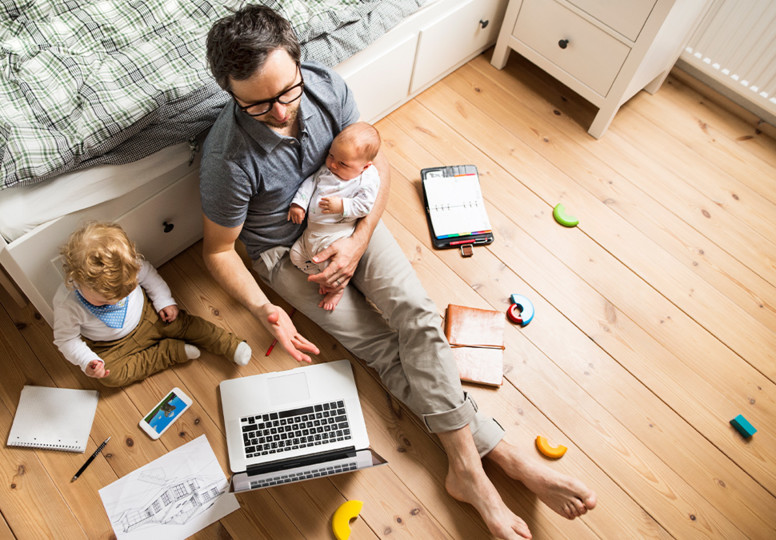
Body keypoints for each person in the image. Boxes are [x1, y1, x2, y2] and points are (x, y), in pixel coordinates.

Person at [199, 5, 596, 539]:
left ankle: (471, 470)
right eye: (257, 104)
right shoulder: (226, 159)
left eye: (286, 91)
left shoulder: (324, 87)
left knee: (418, 316)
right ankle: (494, 460)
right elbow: (219, 251)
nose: (278, 112)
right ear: (230, 93)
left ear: (298, 63)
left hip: (347, 218)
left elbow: (377, 163)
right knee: (381, 347)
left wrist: (359, 244)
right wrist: (266, 308)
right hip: (287, 251)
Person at [53, 221, 251, 387]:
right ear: (76, 279)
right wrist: (88, 361)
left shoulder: (129, 264)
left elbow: (150, 278)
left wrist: (164, 301)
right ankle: (169, 352)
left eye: (125, 293)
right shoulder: (67, 303)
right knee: (110, 376)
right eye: (105, 301)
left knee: (186, 324)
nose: (118, 301)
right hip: (111, 345)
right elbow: (66, 340)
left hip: (150, 316)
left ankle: (229, 344)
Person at [287, 121, 381, 310]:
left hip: (334, 235)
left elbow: (364, 206)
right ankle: (322, 276)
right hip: (311, 232)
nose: (332, 164)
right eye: (331, 155)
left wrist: (342, 205)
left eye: (343, 163)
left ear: (364, 166)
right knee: (295, 255)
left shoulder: (367, 180)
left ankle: (337, 289)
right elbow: (310, 182)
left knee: (331, 265)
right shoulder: (327, 169)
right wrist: (299, 203)